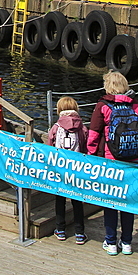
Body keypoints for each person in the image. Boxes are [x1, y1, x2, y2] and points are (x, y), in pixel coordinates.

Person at [88, 71, 138, 256]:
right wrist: (137, 150)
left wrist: (91, 155)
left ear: (108, 85)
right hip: (133, 160)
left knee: (111, 201)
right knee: (128, 201)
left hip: (110, 161)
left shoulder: (103, 105)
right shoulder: (136, 105)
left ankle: (111, 242)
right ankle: (127, 242)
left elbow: (94, 134)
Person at [45, 95, 88, 244]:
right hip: (76, 169)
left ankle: (60, 229)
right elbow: (85, 147)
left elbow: (50, 147)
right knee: (77, 201)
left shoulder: (56, 127)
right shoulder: (82, 127)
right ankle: (79, 232)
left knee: (60, 199)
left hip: (59, 169)